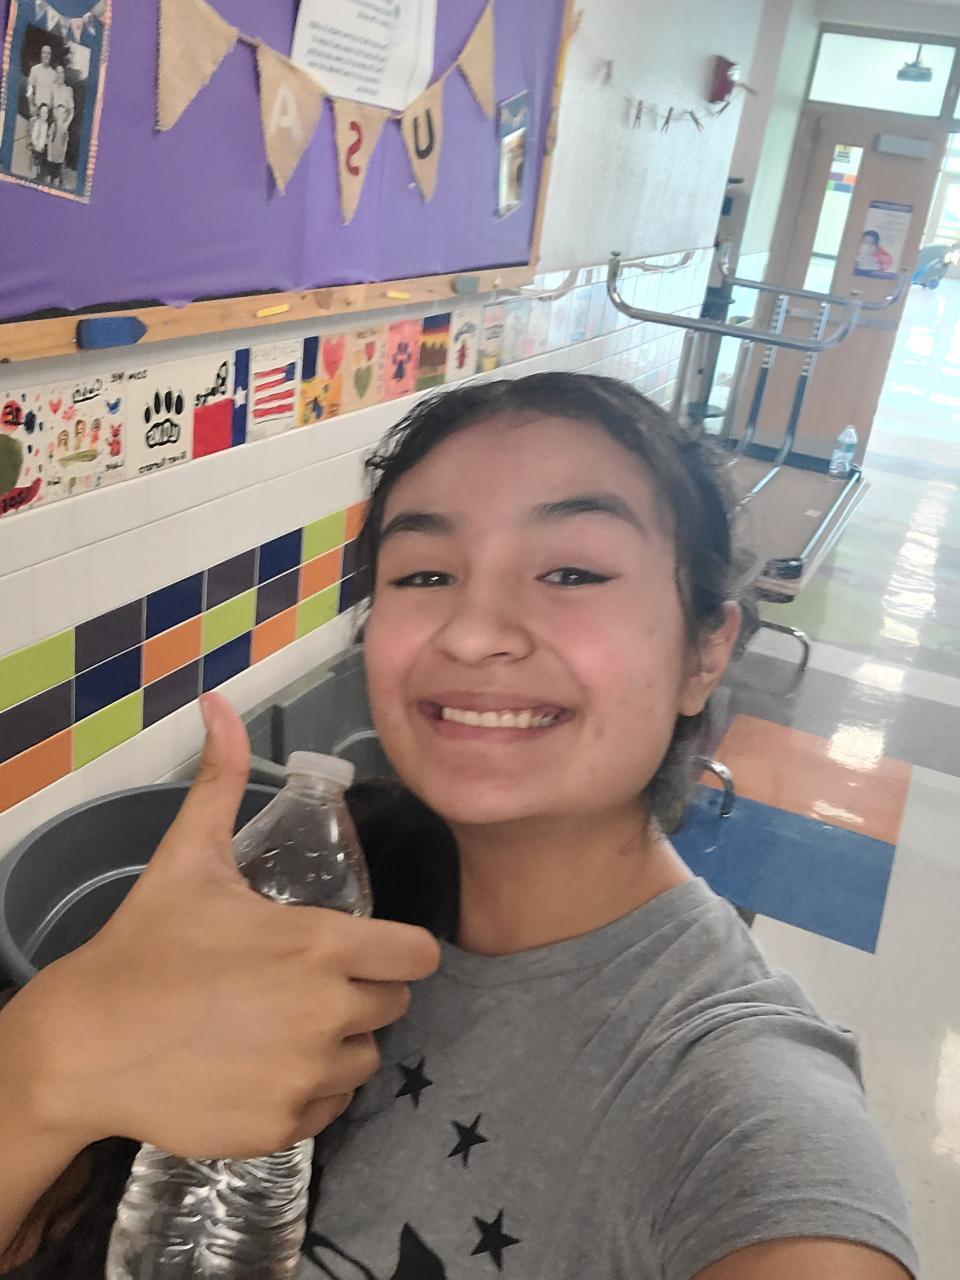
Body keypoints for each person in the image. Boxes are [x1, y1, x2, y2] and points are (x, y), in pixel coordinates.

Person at [0, 374, 917, 1279]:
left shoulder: (733, 1095)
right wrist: (49, 1062)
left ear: (705, 652)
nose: (474, 634)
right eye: (426, 574)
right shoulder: (320, 897)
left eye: (571, 572)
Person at [46, 66, 73, 189]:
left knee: (61, 150)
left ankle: (58, 179)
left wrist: (66, 123)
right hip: (55, 123)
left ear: (64, 74)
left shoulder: (68, 90)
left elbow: (72, 111)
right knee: (51, 147)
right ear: (56, 75)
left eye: (61, 73)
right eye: (57, 73)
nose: (59, 75)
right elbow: (51, 106)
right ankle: (49, 174)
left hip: (64, 124)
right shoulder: (53, 88)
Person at [26, 44, 56, 116]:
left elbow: (55, 94)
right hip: (36, 110)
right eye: (44, 53)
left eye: (48, 53)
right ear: (41, 54)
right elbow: (30, 89)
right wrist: (31, 106)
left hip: (48, 113)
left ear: (51, 56)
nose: (46, 55)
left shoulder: (54, 74)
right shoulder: (34, 69)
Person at [28, 103, 48, 182]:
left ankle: (38, 175)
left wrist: (44, 144)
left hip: (42, 148)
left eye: (46, 112)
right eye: (43, 112)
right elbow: (34, 134)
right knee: (35, 161)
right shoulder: (38, 123)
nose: (45, 114)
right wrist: (36, 144)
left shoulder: (46, 124)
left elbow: (45, 136)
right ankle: (33, 175)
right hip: (36, 147)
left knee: (40, 162)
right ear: (39, 113)